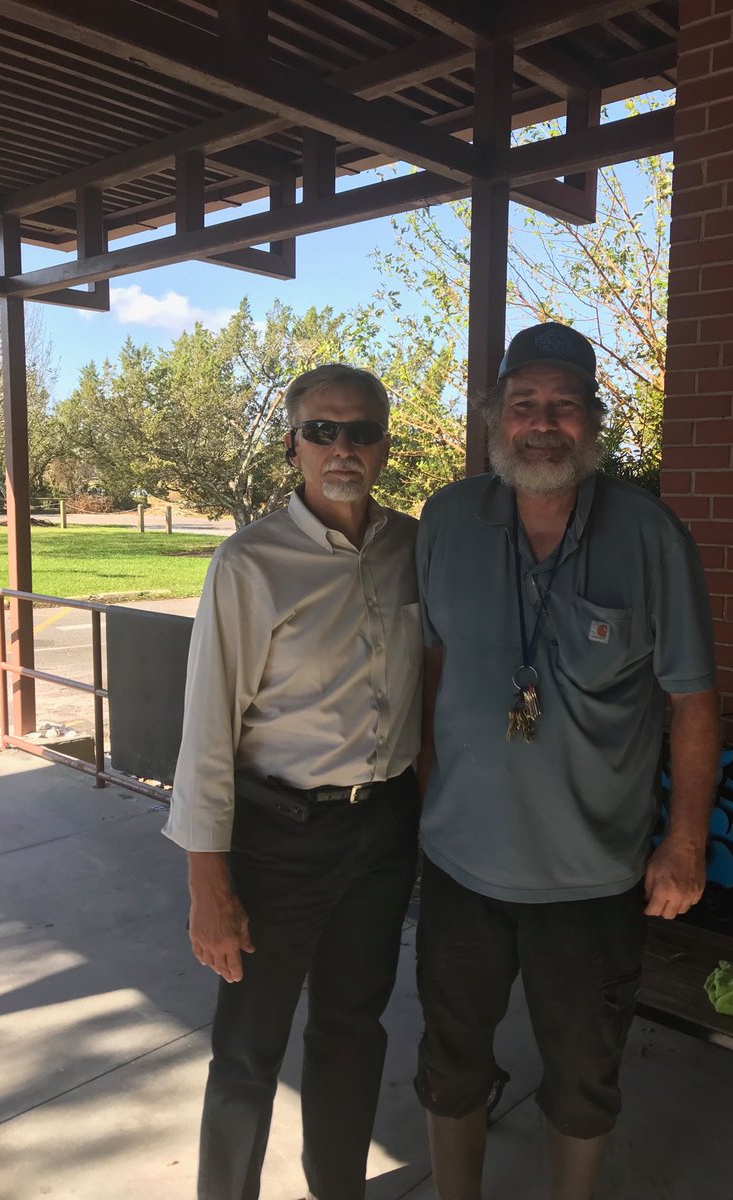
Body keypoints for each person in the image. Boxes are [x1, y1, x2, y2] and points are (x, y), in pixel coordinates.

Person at [414, 323, 719, 1200]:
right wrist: (431, 798)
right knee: (451, 1056)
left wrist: (685, 842)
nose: (542, 424)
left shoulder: (652, 535)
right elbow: (432, 668)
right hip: (460, 867)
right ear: (493, 420)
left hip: (592, 878)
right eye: (524, 405)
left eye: (564, 405)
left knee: (585, 1073)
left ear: (594, 421)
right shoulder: (446, 522)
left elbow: (693, 700)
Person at [163, 364, 422, 1200]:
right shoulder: (250, 564)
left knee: (353, 1027)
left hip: (384, 830)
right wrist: (208, 882)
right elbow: (206, 731)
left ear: (385, 444)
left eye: (361, 430)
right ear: (293, 446)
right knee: (248, 1050)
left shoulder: (413, 547)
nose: (342, 447)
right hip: (279, 840)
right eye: (322, 430)